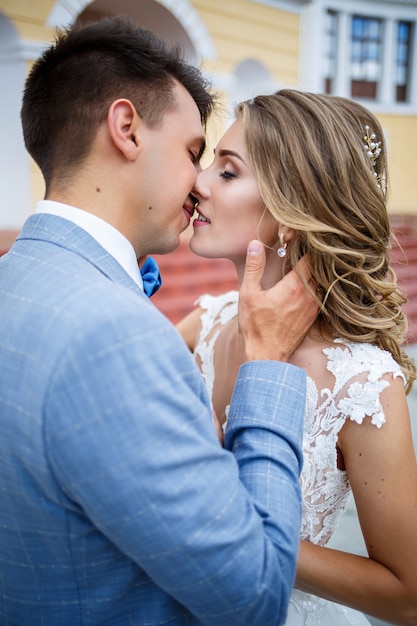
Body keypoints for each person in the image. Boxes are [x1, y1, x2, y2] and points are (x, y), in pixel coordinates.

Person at [0, 17, 321, 626]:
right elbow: (253, 597)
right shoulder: (112, 335)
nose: (200, 186)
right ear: (125, 129)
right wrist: (267, 367)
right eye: (195, 152)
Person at [177, 89, 417, 625]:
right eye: (211, 163)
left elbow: (407, 596)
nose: (198, 182)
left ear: (290, 211)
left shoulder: (361, 385)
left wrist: (246, 533)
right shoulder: (205, 323)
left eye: (229, 172)